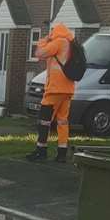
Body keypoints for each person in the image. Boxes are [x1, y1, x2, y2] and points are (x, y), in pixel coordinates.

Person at [26, 21, 76, 162]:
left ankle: (41, 151)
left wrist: (43, 41)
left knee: (44, 121)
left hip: (55, 89)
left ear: (55, 32)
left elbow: (40, 53)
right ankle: (62, 153)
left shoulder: (59, 42)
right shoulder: (71, 44)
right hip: (68, 90)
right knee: (62, 122)